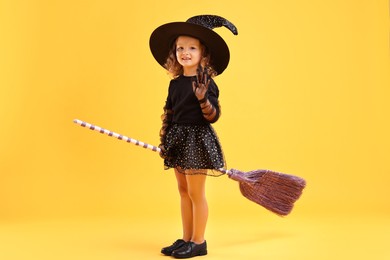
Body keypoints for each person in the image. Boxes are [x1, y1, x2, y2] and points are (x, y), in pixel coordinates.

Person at [149, 15, 237, 259]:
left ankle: (199, 241)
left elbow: (213, 115)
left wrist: (202, 98)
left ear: (203, 54)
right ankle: (186, 238)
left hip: (197, 140)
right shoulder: (175, 84)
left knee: (196, 193)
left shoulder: (206, 83)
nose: (184, 52)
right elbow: (169, 112)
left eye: (191, 48)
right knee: (183, 191)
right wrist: (165, 138)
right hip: (178, 138)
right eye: (180, 48)